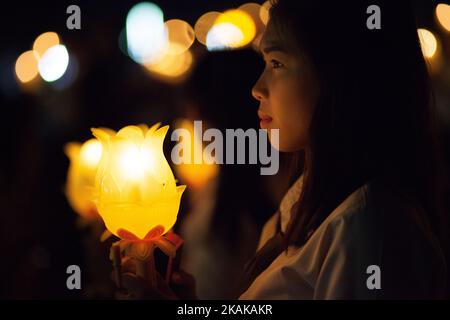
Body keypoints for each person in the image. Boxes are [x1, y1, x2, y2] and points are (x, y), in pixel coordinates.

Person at [117, 0, 448, 299]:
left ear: (339, 76)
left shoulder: (367, 229)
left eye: (276, 63)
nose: (257, 88)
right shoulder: (302, 207)